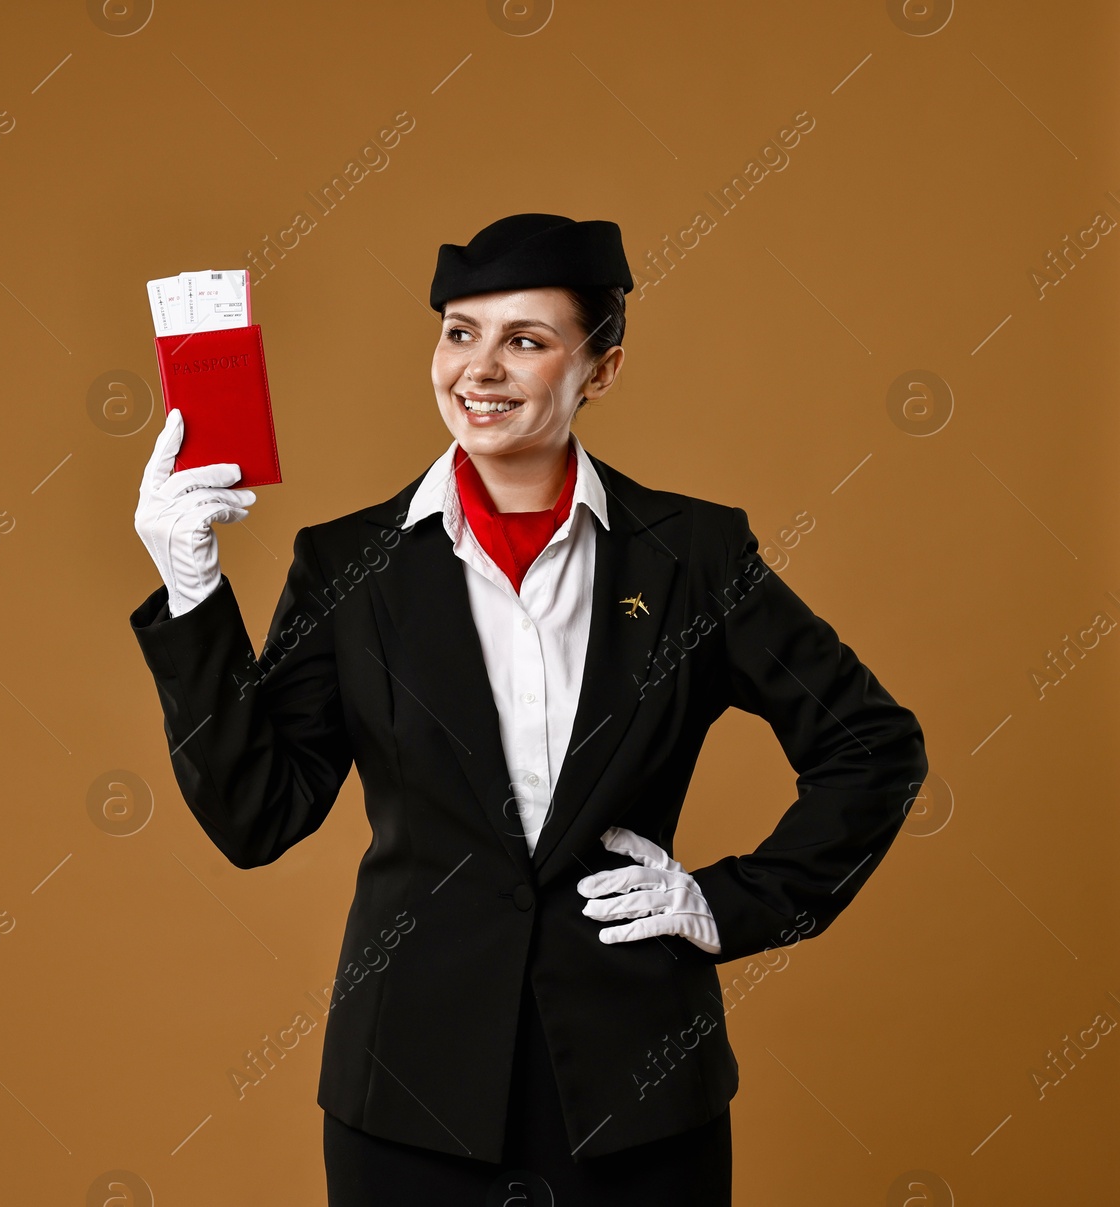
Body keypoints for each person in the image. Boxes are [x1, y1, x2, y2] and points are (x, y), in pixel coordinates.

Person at [130, 213, 927, 1205]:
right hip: (408, 1103)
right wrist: (192, 586)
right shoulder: (347, 567)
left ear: (602, 368)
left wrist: (728, 905)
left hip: (638, 1098)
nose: (480, 369)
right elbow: (257, 815)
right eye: (460, 332)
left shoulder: (694, 557)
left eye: (525, 340)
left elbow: (871, 747)